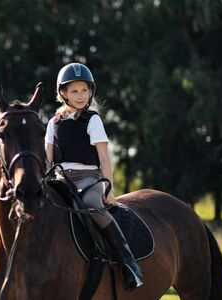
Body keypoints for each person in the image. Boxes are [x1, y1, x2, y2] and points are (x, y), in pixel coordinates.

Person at [45, 62, 143, 292]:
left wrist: (108, 187)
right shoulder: (53, 123)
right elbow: (47, 160)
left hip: (87, 178)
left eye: (84, 90)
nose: (80, 95)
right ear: (63, 94)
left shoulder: (93, 120)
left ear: (91, 92)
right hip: (59, 180)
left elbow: (104, 158)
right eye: (74, 91)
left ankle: (129, 264)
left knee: (91, 206)